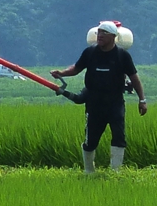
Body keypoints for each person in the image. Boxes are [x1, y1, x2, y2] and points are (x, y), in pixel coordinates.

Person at [50, 21, 147, 174]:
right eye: (98, 33)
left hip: (115, 103)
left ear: (113, 36)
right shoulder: (90, 52)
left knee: (119, 137)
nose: (99, 36)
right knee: (91, 140)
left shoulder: (122, 55)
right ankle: (89, 171)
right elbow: (76, 68)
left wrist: (142, 100)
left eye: (104, 33)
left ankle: (116, 172)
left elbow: (134, 78)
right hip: (94, 103)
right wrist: (61, 73)